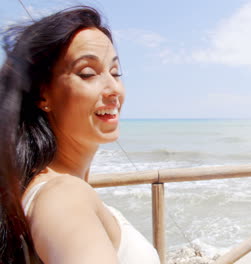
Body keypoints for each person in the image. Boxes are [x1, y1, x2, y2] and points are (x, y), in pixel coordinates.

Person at [0, 6, 160, 264]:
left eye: (115, 72)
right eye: (88, 73)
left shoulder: (50, 189)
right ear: (43, 95)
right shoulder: (63, 196)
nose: (113, 89)